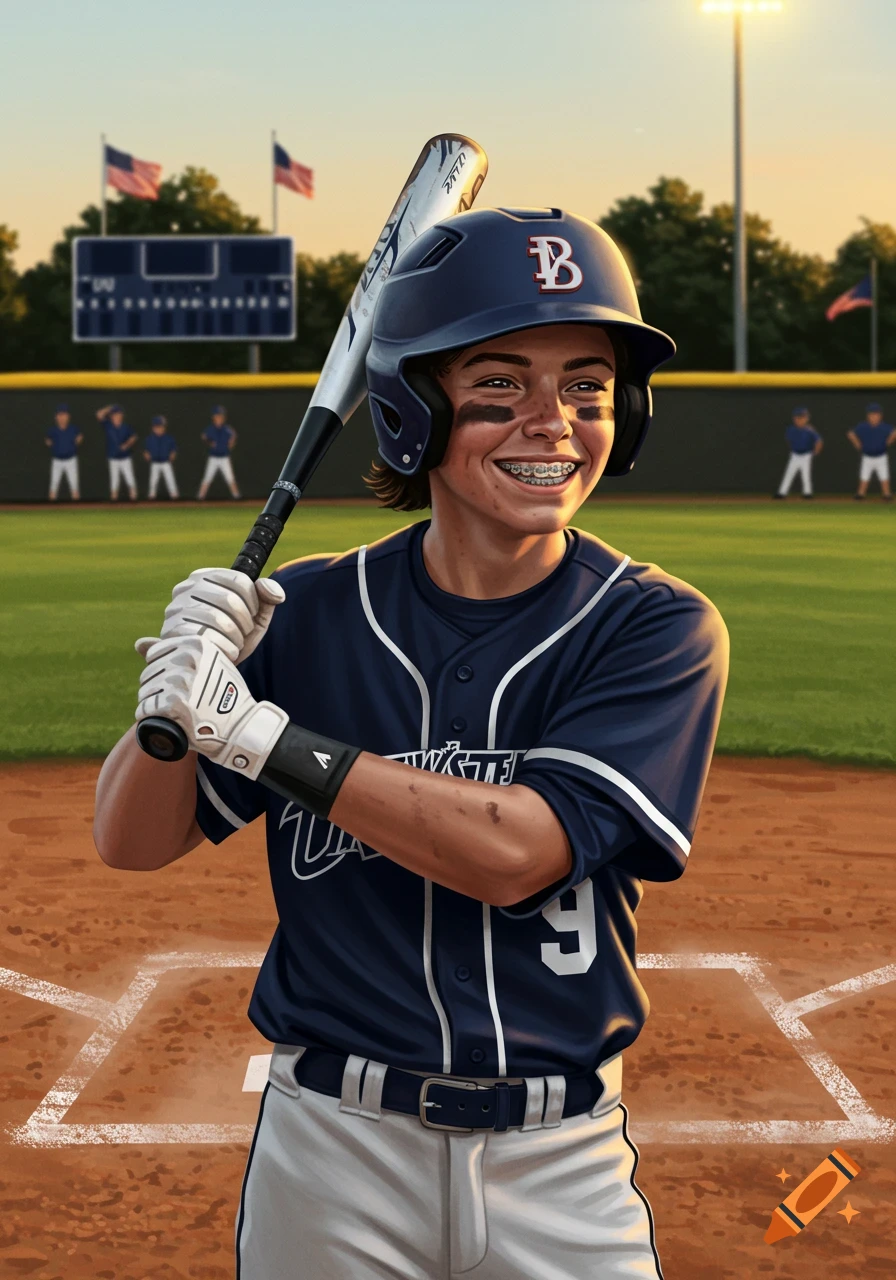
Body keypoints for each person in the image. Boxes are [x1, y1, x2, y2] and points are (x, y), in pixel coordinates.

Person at [94, 208, 729, 1280]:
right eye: (498, 383)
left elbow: (515, 850)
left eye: (586, 383)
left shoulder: (653, 624)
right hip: (332, 1147)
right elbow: (130, 838)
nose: (553, 420)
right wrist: (177, 698)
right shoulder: (304, 613)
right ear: (409, 405)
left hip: (560, 1161)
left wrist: (259, 733)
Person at [847, 403, 896, 502]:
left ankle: (886, 494)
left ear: (880, 416)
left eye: (876, 414)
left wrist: (890, 440)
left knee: (884, 476)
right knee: (864, 476)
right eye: (871, 414)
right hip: (867, 456)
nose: (874, 416)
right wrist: (857, 443)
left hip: (881, 456)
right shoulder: (863, 426)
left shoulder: (884, 427)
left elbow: (894, 432)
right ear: (868, 416)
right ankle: (861, 494)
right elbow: (850, 433)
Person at [774, 406, 822, 499]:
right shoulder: (791, 429)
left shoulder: (810, 430)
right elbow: (788, 440)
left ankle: (807, 494)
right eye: (799, 417)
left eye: (804, 417)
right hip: (795, 454)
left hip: (806, 454)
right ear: (795, 418)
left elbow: (819, 441)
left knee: (805, 474)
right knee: (789, 473)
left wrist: (816, 451)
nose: (801, 419)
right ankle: (781, 493)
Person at [197, 404, 240, 499]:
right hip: (213, 458)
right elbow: (203, 436)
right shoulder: (210, 429)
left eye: (221, 416)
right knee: (207, 478)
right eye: (218, 416)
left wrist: (231, 443)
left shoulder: (227, 429)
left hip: (224, 457)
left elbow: (233, 436)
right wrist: (209, 442)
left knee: (230, 478)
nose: (220, 418)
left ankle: (237, 498)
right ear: (214, 417)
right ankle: (199, 498)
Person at [96, 403, 138, 501]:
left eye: (118, 414)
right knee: (114, 480)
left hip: (125, 457)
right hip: (113, 457)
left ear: (121, 415)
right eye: (114, 414)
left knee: (129, 477)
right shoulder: (107, 425)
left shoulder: (126, 427)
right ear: (111, 416)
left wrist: (127, 445)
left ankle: (134, 499)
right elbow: (98, 414)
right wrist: (109, 408)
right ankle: (114, 500)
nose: (116, 416)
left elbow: (134, 437)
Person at [45, 404, 83, 501]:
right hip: (57, 461)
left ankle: (77, 513)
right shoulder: (52, 430)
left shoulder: (74, 429)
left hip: (71, 460)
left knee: (74, 487)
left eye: (64, 414)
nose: (62, 417)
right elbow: (47, 441)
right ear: (56, 417)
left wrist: (78, 440)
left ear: (68, 416)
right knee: (53, 487)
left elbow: (80, 437)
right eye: (60, 415)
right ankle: (50, 513)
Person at [143, 415, 179, 500]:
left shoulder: (169, 438)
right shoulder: (149, 439)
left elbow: (174, 448)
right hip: (155, 462)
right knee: (153, 481)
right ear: (153, 428)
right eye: (157, 427)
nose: (159, 429)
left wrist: (173, 454)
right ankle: (152, 496)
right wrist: (146, 454)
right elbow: (146, 450)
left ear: (164, 427)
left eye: (161, 426)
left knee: (170, 479)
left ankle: (174, 496)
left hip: (166, 462)